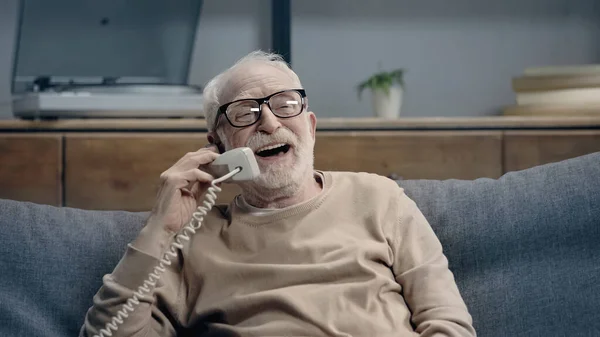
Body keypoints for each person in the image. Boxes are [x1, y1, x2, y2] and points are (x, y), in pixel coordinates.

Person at [80, 50, 476, 337]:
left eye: (285, 105)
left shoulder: (380, 197)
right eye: (245, 112)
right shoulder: (190, 240)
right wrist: (159, 229)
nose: (269, 122)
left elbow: (448, 325)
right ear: (217, 144)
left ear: (310, 126)